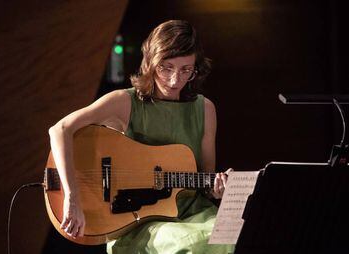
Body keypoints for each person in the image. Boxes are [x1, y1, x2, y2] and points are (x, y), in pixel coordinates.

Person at [49, 20, 233, 253]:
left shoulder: (205, 109)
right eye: (166, 67)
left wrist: (216, 187)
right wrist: (72, 197)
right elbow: (60, 129)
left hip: (192, 212)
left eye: (186, 69)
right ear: (151, 63)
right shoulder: (125, 102)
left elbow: (205, 180)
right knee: (192, 243)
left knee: (234, 233)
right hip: (138, 220)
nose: (176, 80)